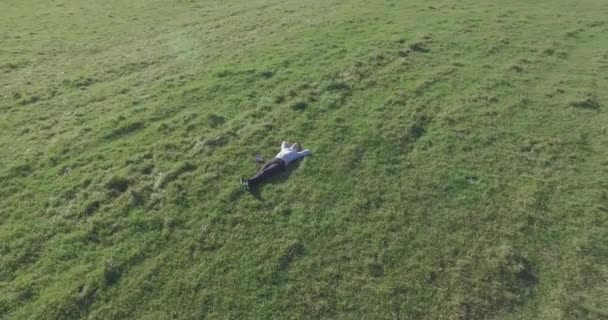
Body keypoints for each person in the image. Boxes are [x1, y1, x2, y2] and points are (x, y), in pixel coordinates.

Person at [241, 141, 311, 190]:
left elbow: (307, 151)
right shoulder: (285, 148)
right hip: (273, 160)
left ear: (298, 148)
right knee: (261, 170)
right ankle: (251, 184)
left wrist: (299, 151)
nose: (295, 145)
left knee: (266, 172)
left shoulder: (296, 154)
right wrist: (289, 146)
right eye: (294, 144)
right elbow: (284, 142)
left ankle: (248, 182)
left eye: (296, 145)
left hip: (280, 164)